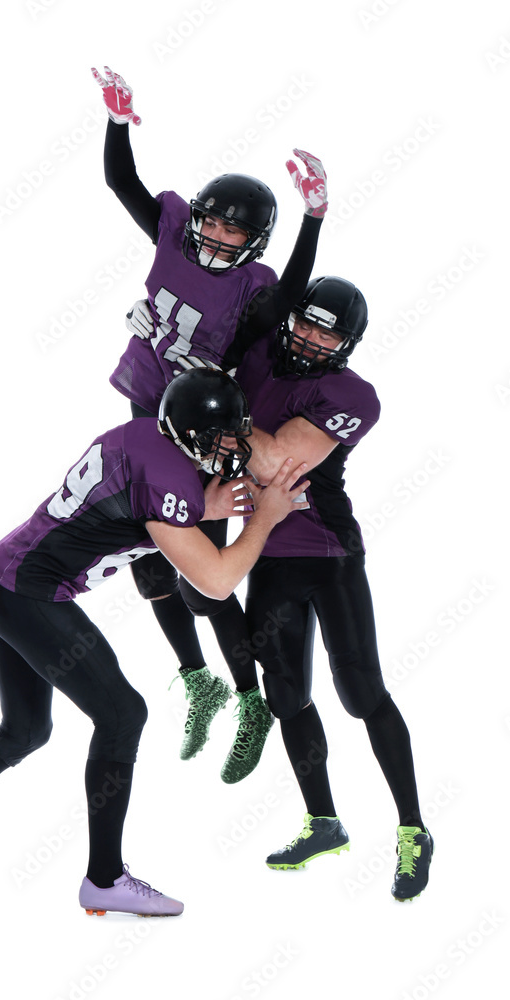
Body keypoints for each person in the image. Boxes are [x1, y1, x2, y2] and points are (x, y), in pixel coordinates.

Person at [0, 369, 310, 917]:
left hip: (1, 579)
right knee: (123, 714)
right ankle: (105, 879)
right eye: (222, 438)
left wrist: (206, 508)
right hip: (28, 594)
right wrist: (264, 521)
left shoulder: (143, 439)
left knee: (25, 731)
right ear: (192, 434)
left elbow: (139, 503)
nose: (233, 448)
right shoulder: (168, 482)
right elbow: (217, 581)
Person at [92, 65, 328, 782]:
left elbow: (288, 295)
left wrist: (314, 218)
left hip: (204, 428)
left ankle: (250, 699)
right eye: (215, 221)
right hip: (143, 404)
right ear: (195, 217)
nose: (221, 236)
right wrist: (118, 119)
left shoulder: (253, 290)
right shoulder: (170, 234)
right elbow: (121, 184)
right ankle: (197, 679)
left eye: (236, 229)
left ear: (254, 241)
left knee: (205, 581)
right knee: (147, 562)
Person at [228, 275, 433, 902]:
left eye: (329, 332)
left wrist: (218, 405)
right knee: (287, 695)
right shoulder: (259, 352)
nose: (314, 339)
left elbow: (274, 463)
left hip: (327, 553)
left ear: (348, 343)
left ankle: (414, 829)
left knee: (361, 692)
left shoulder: (352, 395)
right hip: (268, 552)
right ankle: (323, 821)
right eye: (308, 323)